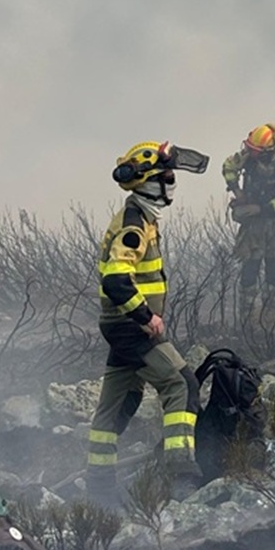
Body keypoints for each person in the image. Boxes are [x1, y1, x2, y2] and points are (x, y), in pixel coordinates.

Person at [86, 141, 209, 509]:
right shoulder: (134, 224)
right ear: (148, 183)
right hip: (131, 328)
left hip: (121, 326)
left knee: (117, 405)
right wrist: (146, 316)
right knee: (180, 383)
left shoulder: (142, 218)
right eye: (167, 177)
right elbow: (116, 281)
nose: (172, 183)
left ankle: (99, 490)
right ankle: (182, 477)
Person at [222, 123, 275, 324]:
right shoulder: (248, 156)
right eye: (249, 148)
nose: (250, 153)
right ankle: (248, 321)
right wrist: (237, 191)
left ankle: (270, 321)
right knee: (249, 269)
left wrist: (262, 208)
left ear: (267, 149)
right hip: (253, 225)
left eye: (255, 150)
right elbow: (228, 167)